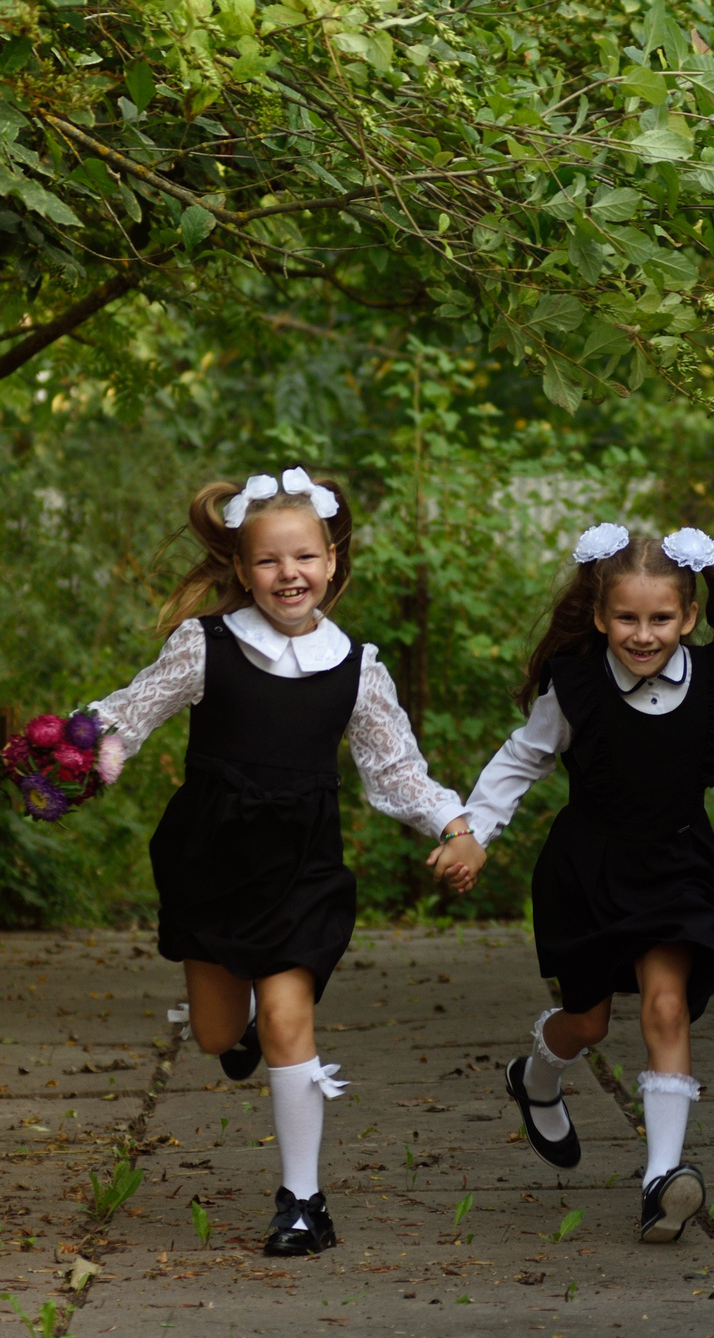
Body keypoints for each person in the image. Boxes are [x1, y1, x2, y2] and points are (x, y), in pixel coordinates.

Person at [87, 468, 481, 1256]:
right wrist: (77, 753)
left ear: (333, 560)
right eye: (269, 560)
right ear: (241, 569)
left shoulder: (358, 667)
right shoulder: (205, 645)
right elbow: (127, 713)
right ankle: (244, 1027)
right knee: (213, 1033)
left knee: (292, 1017)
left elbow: (395, 770)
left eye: (304, 557)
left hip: (303, 864)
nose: (288, 573)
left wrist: (456, 820)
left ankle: (303, 1201)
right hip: (213, 860)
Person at [445, 524, 714, 1242]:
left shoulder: (713, 685)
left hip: (678, 866)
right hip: (589, 871)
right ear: (603, 616)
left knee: (667, 1007)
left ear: (689, 617)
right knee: (590, 1020)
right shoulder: (575, 686)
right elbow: (519, 762)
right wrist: (470, 833)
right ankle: (536, 1074)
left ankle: (661, 1180)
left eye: (661, 618)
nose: (644, 635)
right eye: (629, 619)